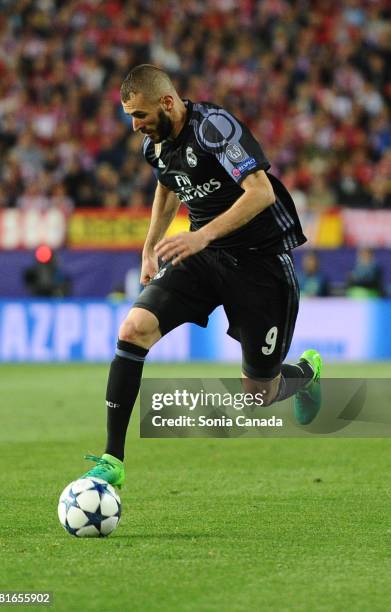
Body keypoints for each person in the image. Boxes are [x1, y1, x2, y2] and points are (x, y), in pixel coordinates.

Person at [81, 65, 323, 488]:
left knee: (258, 394)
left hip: (261, 262)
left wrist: (201, 235)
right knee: (134, 328)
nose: (135, 126)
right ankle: (112, 459)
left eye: (140, 115)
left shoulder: (215, 128)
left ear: (167, 103)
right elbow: (169, 184)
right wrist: (149, 245)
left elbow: (261, 192)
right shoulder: (156, 146)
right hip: (204, 256)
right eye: (130, 117)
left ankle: (304, 374)